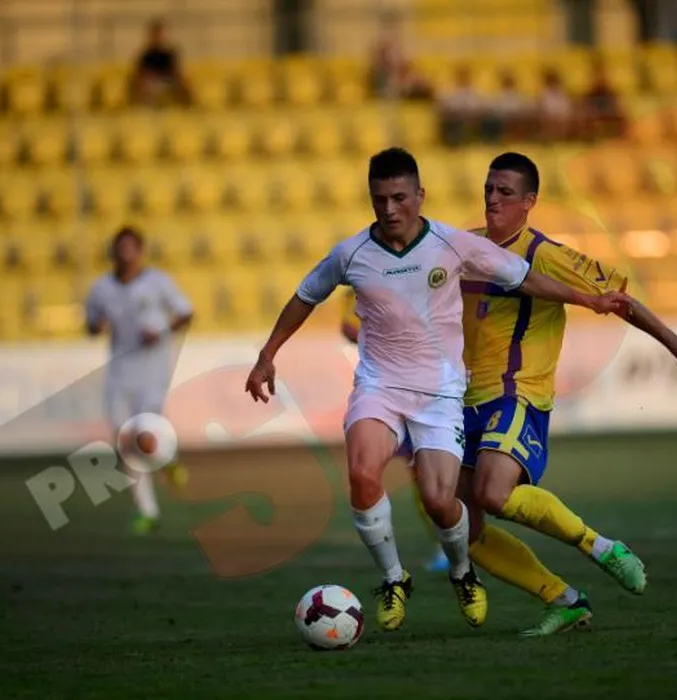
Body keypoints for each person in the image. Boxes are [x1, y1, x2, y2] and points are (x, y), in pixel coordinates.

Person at [337, 152, 677, 636]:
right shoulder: (457, 247)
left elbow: (619, 300)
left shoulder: (545, 256)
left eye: (505, 192)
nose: (492, 199)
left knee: (493, 492)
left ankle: (601, 547)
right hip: (455, 401)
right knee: (460, 525)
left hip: (516, 394)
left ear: (529, 201)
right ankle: (563, 599)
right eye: (488, 190)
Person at [244, 147, 627, 633]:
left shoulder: (452, 244)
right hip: (380, 386)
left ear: (420, 195)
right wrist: (268, 354)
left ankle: (463, 573)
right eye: (379, 199)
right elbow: (305, 296)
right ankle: (393, 579)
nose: (389, 209)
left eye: (399, 198)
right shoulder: (351, 254)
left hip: (441, 394)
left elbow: (525, 279)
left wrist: (589, 299)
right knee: (362, 474)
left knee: (440, 502)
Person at [84, 227, 194, 535]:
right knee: (124, 443)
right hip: (119, 375)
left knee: (144, 438)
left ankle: (167, 458)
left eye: (131, 248)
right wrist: (97, 326)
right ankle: (148, 511)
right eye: (121, 249)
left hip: (152, 374)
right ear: (113, 252)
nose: (126, 255)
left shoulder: (157, 282)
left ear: (140, 251)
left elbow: (186, 313)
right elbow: (90, 325)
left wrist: (162, 332)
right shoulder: (101, 288)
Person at [340, 288, 449, 573]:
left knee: (441, 471)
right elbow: (347, 327)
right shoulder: (359, 283)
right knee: (419, 474)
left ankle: (460, 539)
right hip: (391, 390)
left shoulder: (426, 277)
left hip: (432, 387)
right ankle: (444, 544)